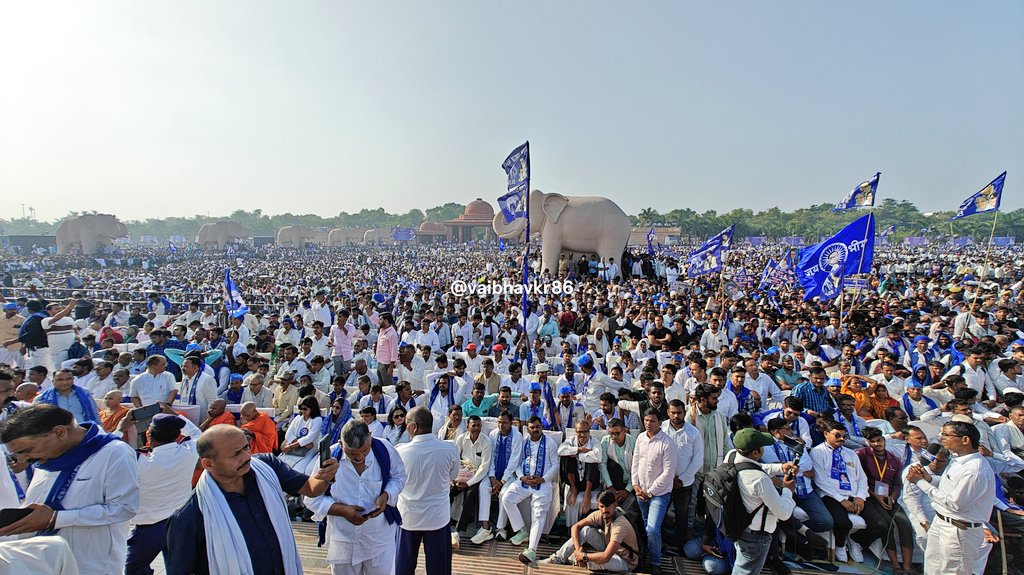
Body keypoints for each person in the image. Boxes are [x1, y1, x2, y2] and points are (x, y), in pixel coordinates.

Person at [165, 425, 340, 575]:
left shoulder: (267, 467)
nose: (246, 456)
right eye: (235, 454)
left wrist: (325, 476)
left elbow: (310, 488)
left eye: (246, 448)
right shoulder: (190, 516)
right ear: (208, 464)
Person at [0, 404, 140, 575]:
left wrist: (56, 518)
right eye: (17, 454)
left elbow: (124, 508)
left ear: (59, 432)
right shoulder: (46, 458)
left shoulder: (114, 453)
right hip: (43, 560)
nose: (22, 459)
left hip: (90, 564)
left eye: (27, 450)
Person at [304, 419, 407, 575]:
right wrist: (342, 511)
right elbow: (312, 498)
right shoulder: (329, 459)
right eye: (352, 453)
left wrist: (386, 495)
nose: (359, 457)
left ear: (370, 436)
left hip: (378, 539)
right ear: (341, 444)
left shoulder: (385, 450)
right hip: (343, 539)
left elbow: (399, 477)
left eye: (365, 451)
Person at [906, 420, 996, 575]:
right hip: (941, 522)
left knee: (952, 571)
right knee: (932, 569)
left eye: (947, 435)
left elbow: (955, 503)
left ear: (965, 440)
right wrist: (929, 479)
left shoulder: (975, 469)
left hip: (958, 529)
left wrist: (920, 482)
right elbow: (950, 486)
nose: (941, 438)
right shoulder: (957, 460)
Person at [124, 412, 200, 575]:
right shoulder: (189, 451)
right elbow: (198, 434)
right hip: (180, 521)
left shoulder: (140, 461)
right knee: (178, 569)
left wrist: (121, 428)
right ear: (178, 435)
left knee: (133, 568)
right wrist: (173, 414)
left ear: (149, 435)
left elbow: (111, 450)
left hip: (150, 526)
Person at [395, 406, 460, 575]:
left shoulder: (400, 451)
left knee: (403, 566)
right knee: (439, 567)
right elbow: (452, 475)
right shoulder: (450, 448)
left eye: (407, 423)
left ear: (414, 427)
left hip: (409, 517)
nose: (405, 426)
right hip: (437, 517)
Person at [730, 427, 797, 575]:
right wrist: (788, 490)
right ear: (755, 453)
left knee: (741, 569)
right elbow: (784, 513)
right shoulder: (760, 479)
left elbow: (751, 465)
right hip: (756, 537)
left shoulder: (731, 457)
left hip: (740, 528)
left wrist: (780, 468)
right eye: (762, 446)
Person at [853, 426, 914, 574]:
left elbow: (898, 484)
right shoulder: (861, 455)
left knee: (905, 524)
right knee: (887, 524)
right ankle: (895, 566)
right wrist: (876, 496)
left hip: (888, 497)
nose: (876, 444)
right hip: (869, 496)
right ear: (867, 442)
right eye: (872, 441)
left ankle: (907, 567)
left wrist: (892, 498)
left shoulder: (894, 460)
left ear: (884, 440)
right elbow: (859, 479)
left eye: (879, 440)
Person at [500, 415, 559, 564]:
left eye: (537, 427)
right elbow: (518, 464)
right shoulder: (524, 442)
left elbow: (555, 466)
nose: (535, 430)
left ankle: (532, 550)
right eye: (532, 427)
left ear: (541, 427)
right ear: (528, 429)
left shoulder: (550, 443)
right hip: (525, 481)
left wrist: (543, 479)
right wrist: (521, 477)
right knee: (507, 498)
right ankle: (521, 530)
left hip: (543, 484)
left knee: (538, 514)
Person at [810, 421, 868, 563]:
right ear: (825, 434)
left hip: (853, 494)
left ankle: (855, 540)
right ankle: (840, 544)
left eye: (844, 436)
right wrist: (841, 500)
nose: (841, 439)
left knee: (879, 523)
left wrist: (861, 497)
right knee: (843, 523)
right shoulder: (817, 452)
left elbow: (861, 477)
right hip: (831, 495)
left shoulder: (851, 454)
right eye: (837, 435)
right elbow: (820, 480)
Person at [543, 489, 640, 571]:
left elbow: (606, 556)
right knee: (586, 530)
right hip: (609, 548)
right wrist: (578, 549)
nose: (604, 510)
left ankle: (576, 561)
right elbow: (575, 527)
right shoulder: (601, 514)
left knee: (602, 561)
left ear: (615, 505)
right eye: (602, 506)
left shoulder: (620, 525)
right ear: (598, 506)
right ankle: (558, 558)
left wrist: (583, 557)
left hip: (625, 561)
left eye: (608, 506)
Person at [631, 408, 679, 574]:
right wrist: (635, 484)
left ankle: (656, 563)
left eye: (652, 421)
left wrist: (649, 492)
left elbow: (668, 473)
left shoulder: (667, 443)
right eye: (646, 420)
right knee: (646, 525)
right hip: (641, 491)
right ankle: (648, 554)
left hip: (659, 494)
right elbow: (635, 461)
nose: (648, 424)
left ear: (660, 422)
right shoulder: (640, 438)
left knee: (652, 528)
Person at [470, 410, 523, 544]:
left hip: (510, 475)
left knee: (503, 494)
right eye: (499, 422)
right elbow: (490, 457)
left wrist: (502, 480)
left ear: (511, 423)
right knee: (483, 487)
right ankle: (485, 528)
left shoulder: (517, 436)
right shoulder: (493, 434)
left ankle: (501, 529)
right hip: (493, 474)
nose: (501, 425)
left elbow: (514, 461)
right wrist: (493, 478)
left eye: (504, 423)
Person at [450, 414, 492, 543]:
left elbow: (483, 468)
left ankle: (457, 531)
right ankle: (441, 525)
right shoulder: (461, 439)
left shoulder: (486, 442)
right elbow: (455, 459)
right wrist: (452, 479)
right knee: (447, 491)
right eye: (473, 425)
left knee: (470, 495)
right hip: (461, 473)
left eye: (478, 425)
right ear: (468, 426)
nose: (476, 428)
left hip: (476, 476)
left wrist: (468, 483)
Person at [34, 368, 101, 425]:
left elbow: (94, 413)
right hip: (57, 435)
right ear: (53, 381)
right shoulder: (42, 399)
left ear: (73, 380)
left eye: (68, 379)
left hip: (84, 432)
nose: (65, 382)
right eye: (60, 379)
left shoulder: (85, 393)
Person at [280, 396, 323, 472]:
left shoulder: (317, 419)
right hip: (298, 447)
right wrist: (301, 443)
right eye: (301, 409)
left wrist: (290, 446)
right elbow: (289, 434)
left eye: (305, 409)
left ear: (312, 409)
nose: (303, 411)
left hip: (310, 449)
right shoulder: (298, 418)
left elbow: (310, 438)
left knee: (298, 469)